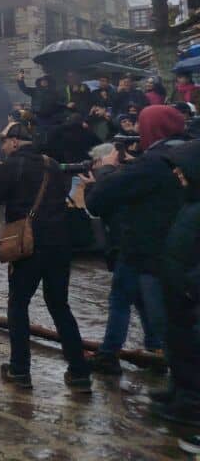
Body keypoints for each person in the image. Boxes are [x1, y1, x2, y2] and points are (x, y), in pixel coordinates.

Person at [0, 122, 91, 391]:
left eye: (4, 141)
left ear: (15, 142)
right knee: (60, 306)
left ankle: (20, 370)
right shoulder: (51, 163)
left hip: (27, 246)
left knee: (18, 305)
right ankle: (79, 372)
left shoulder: (13, 165)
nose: (3, 146)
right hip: (60, 245)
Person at [85, 104, 187, 375]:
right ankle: (156, 350)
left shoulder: (153, 163)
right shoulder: (185, 155)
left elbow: (98, 200)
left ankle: (109, 354)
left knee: (122, 298)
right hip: (177, 245)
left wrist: (105, 171)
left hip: (142, 245)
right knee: (146, 300)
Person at [149, 140, 200, 428]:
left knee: (192, 351)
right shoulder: (190, 200)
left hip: (189, 293)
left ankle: (192, 405)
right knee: (178, 345)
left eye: (182, 169)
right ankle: (179, 393)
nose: (177, 174)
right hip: (177, 290)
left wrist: (191, 285)